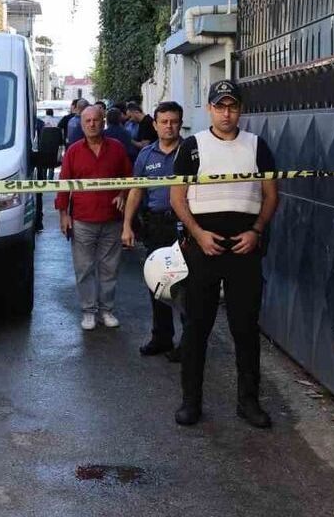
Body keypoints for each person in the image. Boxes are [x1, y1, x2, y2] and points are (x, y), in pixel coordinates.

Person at [170, 80, 279, 429]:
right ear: (210, 109)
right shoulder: (192, 147)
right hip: (203, 249)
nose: (226, 112)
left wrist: (255, 231)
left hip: (244, 250)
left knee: (245, 329)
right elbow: (177, 198)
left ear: (240, 109)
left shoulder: (257, 146)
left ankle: (248, 403)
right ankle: (191, 402)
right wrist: (198, 234)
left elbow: (271, 195)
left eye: (232, 106)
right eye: (220, 106)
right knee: (196, 328)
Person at [55, 105, 132, 330]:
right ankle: (88, 311)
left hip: (112, 220)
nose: (92, 124)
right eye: (87, 120)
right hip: (82, 221)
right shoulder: (73, 152)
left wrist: (122, 194)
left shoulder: (117, 149)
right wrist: (63, 214)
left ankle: (106, 310)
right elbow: (63, 185)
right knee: (84, 269)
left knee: (110, 269)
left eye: (96, 120)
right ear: (81, 124)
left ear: (103, 122)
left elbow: (130, 178)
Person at [122, 101, 185, 361]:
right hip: (157, 225)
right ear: (156, 125)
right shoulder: (146, 155)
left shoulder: (191, 152)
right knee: (158, 283)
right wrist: (127, 225)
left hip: (187, 226)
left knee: (188, 287)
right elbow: (137, 190)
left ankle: (188, 343)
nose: (169, 126)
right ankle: (162, 338)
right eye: (164, 122)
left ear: (180, 124)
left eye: (174, 122)